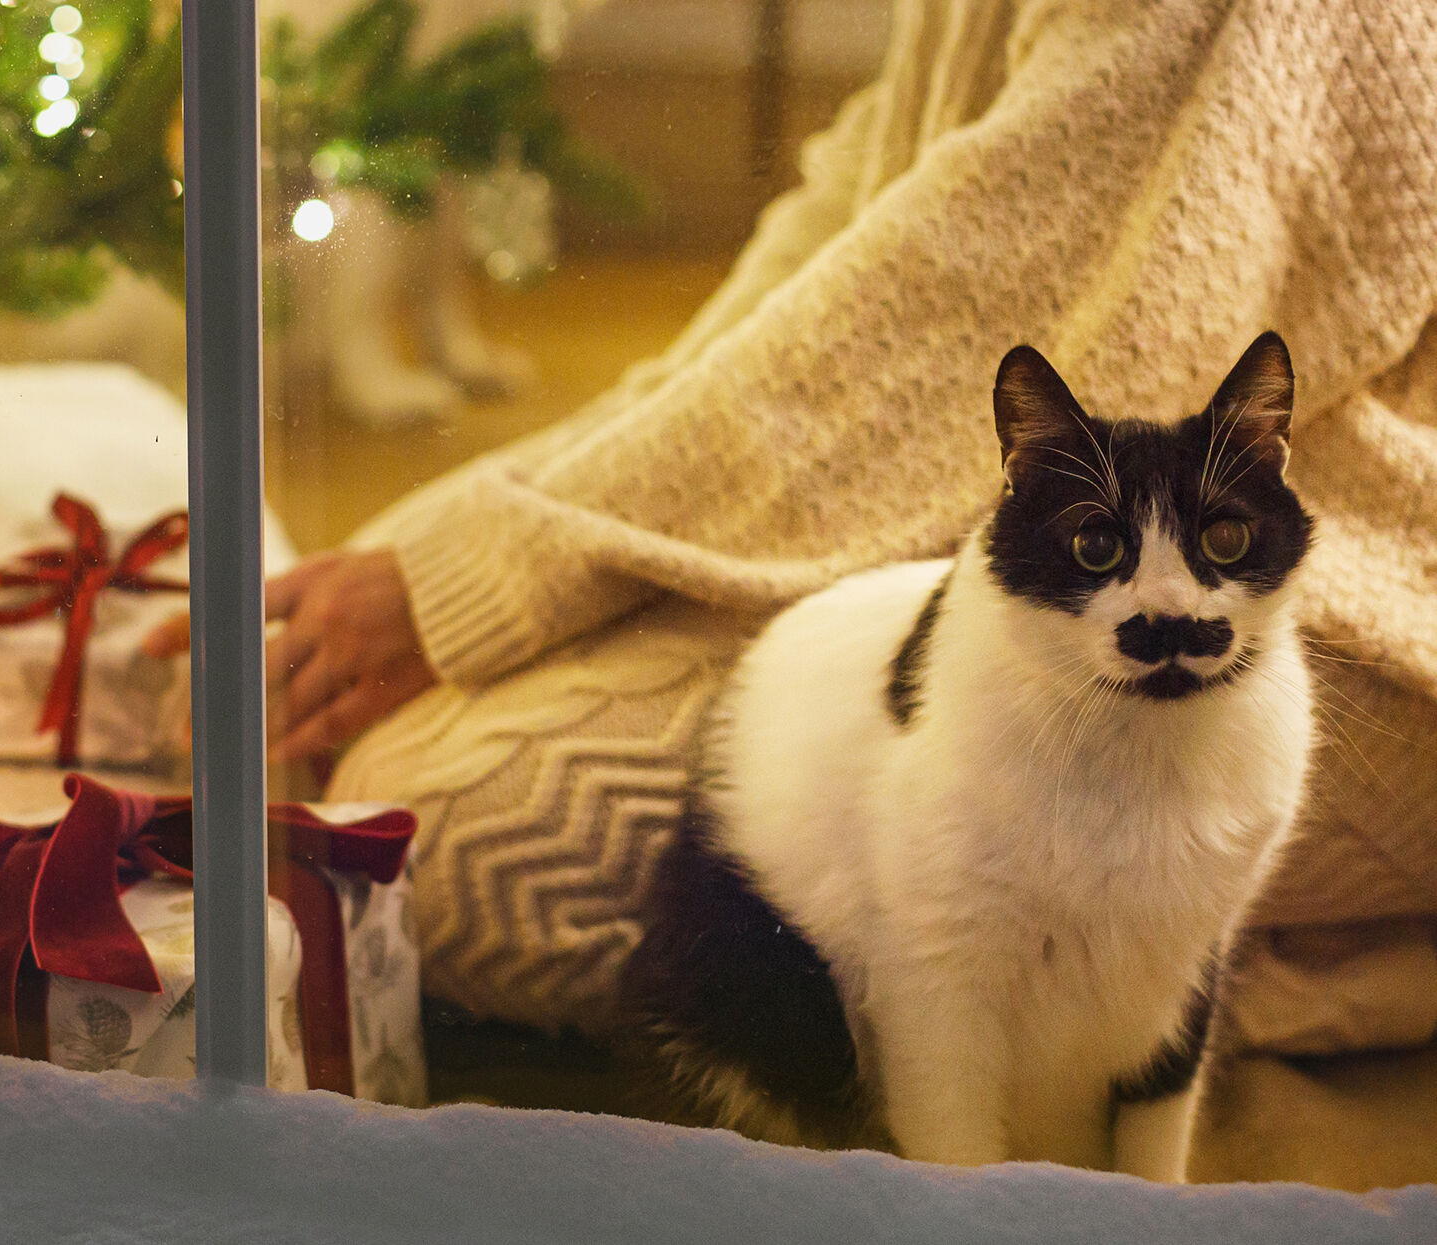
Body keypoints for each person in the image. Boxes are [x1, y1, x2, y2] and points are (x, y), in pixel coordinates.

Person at [154, 0, 1437, 1043]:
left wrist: (504, 565)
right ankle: (1115, 972)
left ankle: (1226, 978)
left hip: (1349, 613)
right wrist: (490, 523)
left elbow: (1025, 329)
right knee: (370, 699)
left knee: (445, 827)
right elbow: (841, 248)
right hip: (1055, 575)